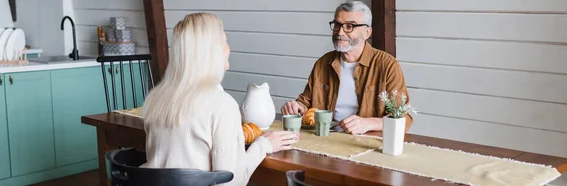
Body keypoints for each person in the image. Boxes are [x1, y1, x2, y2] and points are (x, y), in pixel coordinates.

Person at [141, 13, 299, 185]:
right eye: (225, 41)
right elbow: (232, 182)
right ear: (211, 51)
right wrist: (263, 145)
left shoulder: (155, 98)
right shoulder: (222, 105)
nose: (228, 49)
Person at [281, 1, 413, 134]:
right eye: (337, 25)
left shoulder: (387, 65)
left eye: (349, 26)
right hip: (326, 139)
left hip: (366, 143)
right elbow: (305, 103)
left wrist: (367, 123)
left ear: (366, 32)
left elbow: (403, 119)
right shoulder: (323, 63)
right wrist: (296, 107)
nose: (340, 32)